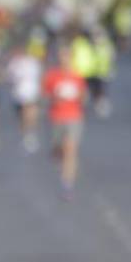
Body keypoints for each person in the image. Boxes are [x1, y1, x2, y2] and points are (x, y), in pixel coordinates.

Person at [43, 44, 88, 199]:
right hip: (56, 118)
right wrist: (55, 98)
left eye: (67, 56)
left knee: (71, 150)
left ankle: (67, 184)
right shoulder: (52, 76)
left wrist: (77, 97)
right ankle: (56, 152)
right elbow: (45, 95)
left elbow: (83, 97)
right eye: (62, 56)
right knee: (58, 150)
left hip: (74, 116)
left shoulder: (77, 77)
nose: (64, 59)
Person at [5, 42, 43, 152]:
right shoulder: (14, 63)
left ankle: (30, 134)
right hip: (19, 94)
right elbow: (9, 78)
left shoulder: (32, 62)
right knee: (23, 116)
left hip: (31, 92)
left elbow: (38, 76)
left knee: (31, 113)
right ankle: (26, 134)